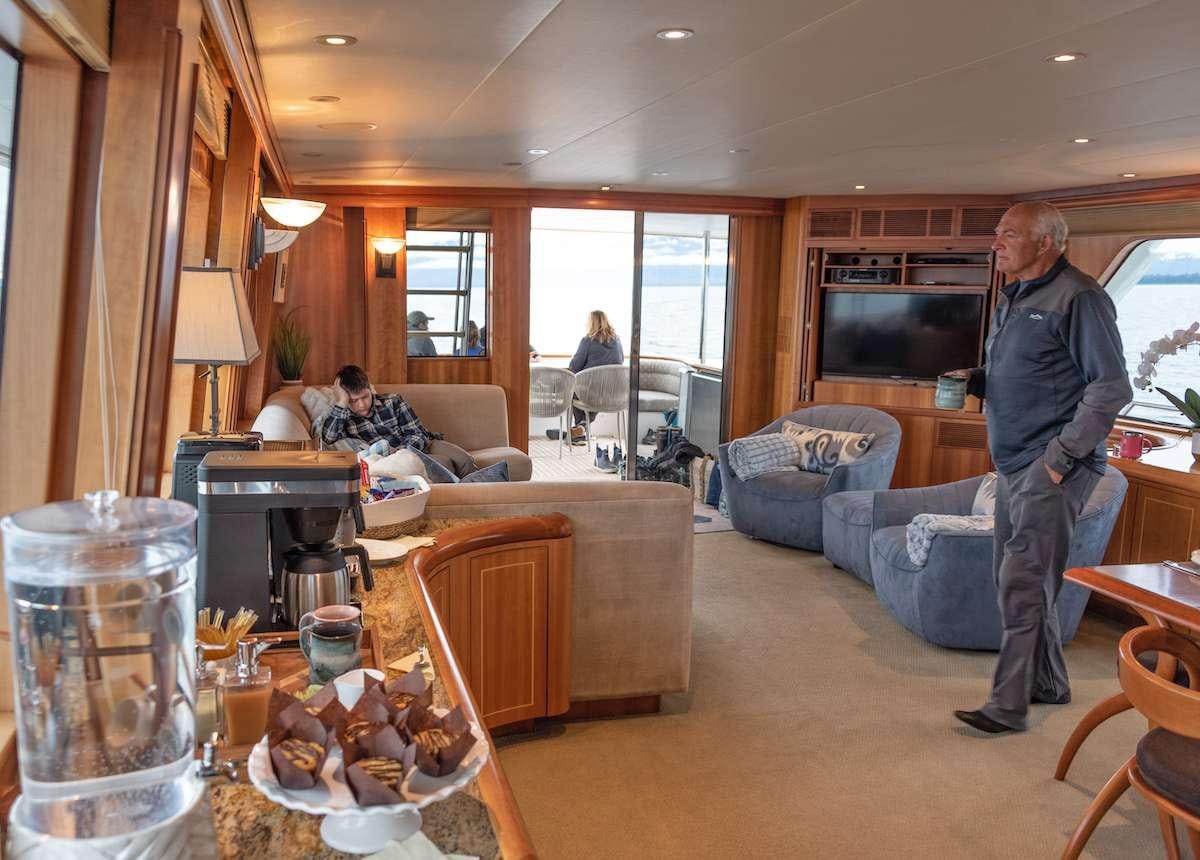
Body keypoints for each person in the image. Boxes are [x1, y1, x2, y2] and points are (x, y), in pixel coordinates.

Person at [947, 202, 1131, 735]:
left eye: (1007, 234)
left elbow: (1111, 386)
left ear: (1045, 241)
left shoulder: (1080, 298)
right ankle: (1049, 683)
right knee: (1020, 575)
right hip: (1013, 465)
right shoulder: (1015, 296)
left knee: (1021, 580)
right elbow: (1038, 372)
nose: (996, 243)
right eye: (997, 234)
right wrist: (978, 377)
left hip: (1049, 467)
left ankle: (1006, 706)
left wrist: (1058, 460)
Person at [321, 364, 478, 477]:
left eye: (364, 397)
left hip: (424, 444)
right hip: (396, 459)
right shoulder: (344, 416)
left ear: (370, 389)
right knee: (445, 464)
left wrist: (403, 450)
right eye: (353, 401)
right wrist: (341, 402)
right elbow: (328, 438)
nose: (361, 405)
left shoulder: (393, 401)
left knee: (465, 460)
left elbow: (418, 433)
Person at [560, 310, 623, 442]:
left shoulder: (587, 341)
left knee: (571, 389)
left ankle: (580, 428)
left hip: (591, 393)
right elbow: (620, 362)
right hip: (612, 393)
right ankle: (581, 428)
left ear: (591, 323)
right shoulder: (617, 341)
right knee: (593, 391)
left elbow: (575, 366)